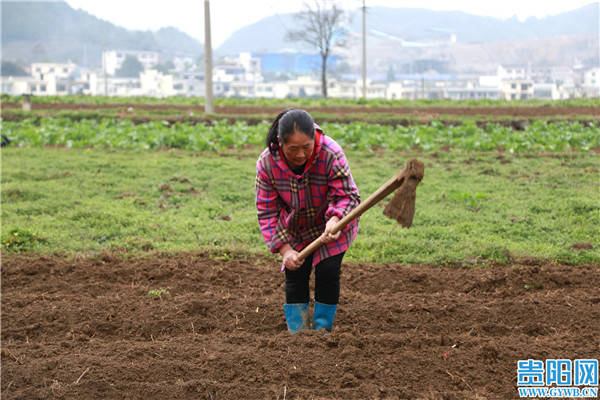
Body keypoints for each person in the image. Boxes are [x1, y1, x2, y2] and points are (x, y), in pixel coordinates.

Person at [255, 108, 361, 333]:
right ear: (280, 143)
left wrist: (335, 220)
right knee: (295, 273)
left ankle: (323, 331)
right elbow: (267, 211)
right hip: (293, 227)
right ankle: (299, 333)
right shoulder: (266, 164)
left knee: (328, 271)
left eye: (307, 147)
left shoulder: (330, 152)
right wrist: (285, 251)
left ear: (315, 139)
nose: (301, 155)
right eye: (293, 149)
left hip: (331, 223)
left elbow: (347, 195)